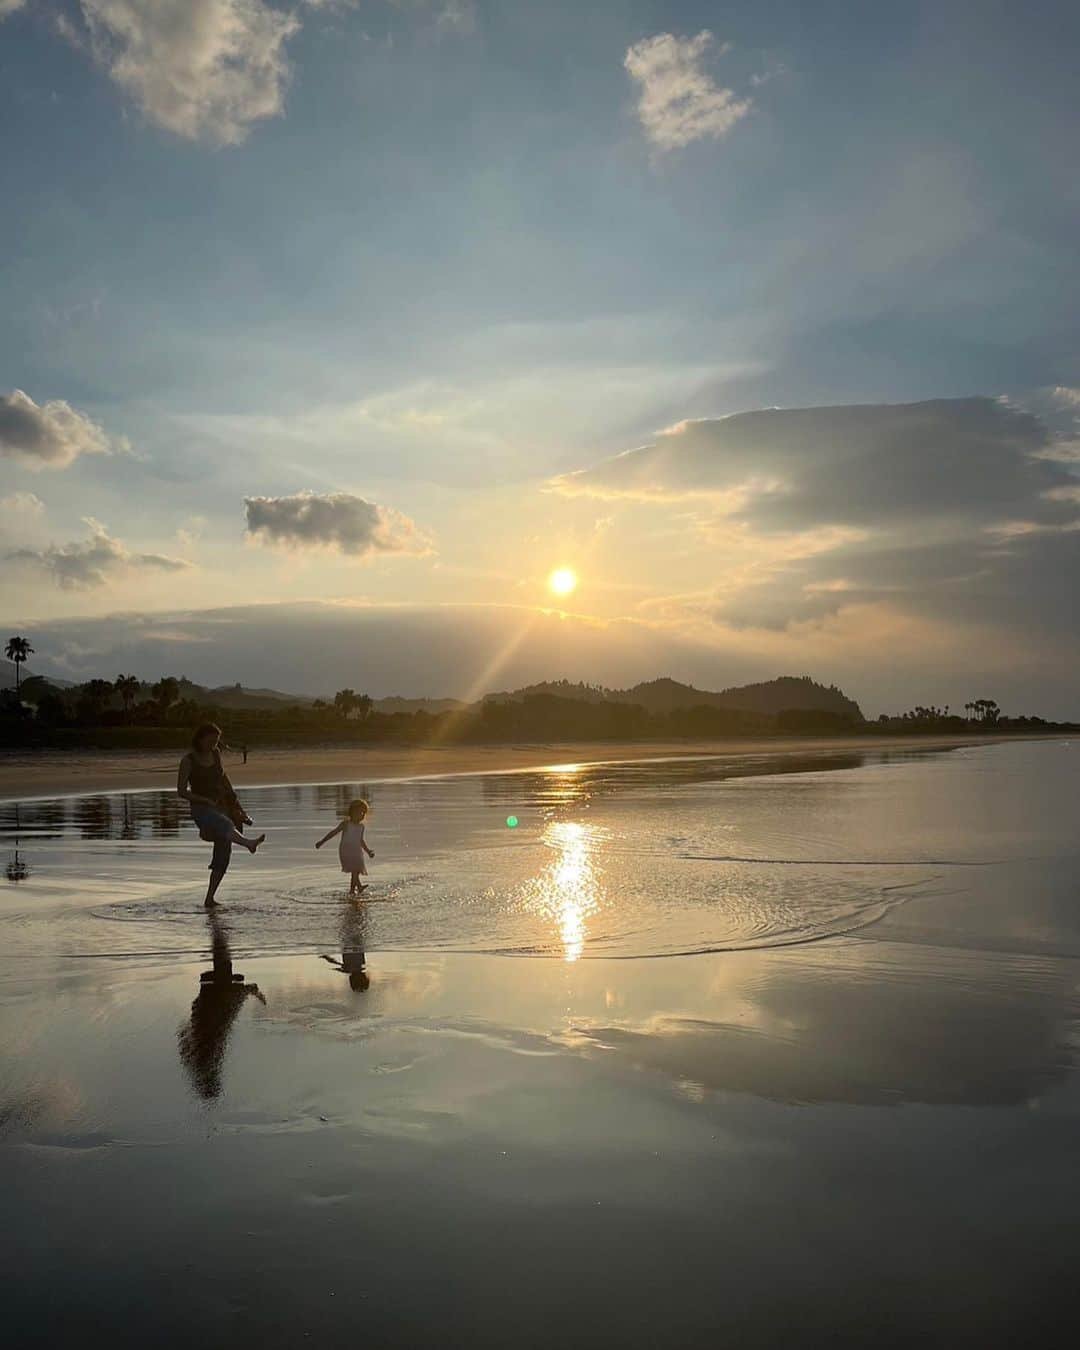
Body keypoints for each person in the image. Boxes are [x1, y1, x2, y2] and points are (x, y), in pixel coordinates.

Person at [178, 723, 265, 907]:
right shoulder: (188, 760)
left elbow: (224, 779)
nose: (213, 745)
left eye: (216, 741)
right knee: (224, 824)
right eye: (210, 741)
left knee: (223, 855)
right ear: (200, 739)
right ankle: (249, 843)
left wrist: (237, 806)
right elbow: (181, 791)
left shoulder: (216, 754)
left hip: (222, 806)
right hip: (202, 809)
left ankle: (209, 899)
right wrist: (204, 800)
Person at [315, 798, 374, 897]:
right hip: (346, 851)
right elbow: (333, 833)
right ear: (352, 812)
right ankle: (352, 891)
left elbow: (361, 840)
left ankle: (359, 887)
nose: (362, 815)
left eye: (364, 813)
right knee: (355, 871)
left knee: (356, 871)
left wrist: (368, 851)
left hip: (357, 851)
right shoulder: (346, 824)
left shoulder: (361, 827)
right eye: (360, 812)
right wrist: (322, 841)